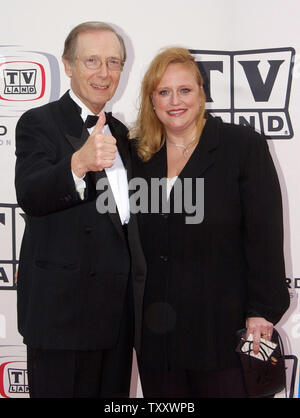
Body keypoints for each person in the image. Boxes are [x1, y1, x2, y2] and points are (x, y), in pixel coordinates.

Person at [129, 47, 290, 398]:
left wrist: (262, 310)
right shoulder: (137, 154)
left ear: (202, 94)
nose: (175, 101)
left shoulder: (241, 147)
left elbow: (264, 234)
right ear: (151, 99)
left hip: (221, 330)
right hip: (157, 336)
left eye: (185, 90)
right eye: (164, 92)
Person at [15, 21, 146, 398]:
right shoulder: (38, 122)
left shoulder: (123, 134)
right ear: (68, 65)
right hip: (62, 319)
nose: (104, 73)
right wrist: (79, 163)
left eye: (114, 62)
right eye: (92, 60)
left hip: (116, 321)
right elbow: (31, 194)